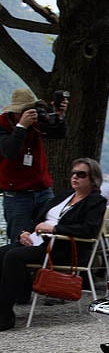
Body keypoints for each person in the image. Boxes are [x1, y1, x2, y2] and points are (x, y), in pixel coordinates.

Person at [0, 158, 106, 331]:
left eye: (81, 174)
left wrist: (55, 229)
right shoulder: (64, 196)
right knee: (2, 252)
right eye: (73, 173)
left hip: (62, 249)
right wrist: (24, 232)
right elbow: (38, 218)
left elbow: (88, 230)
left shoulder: (96, 201)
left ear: (93, 178)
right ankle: (9, 302)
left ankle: (4, 314)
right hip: (39, 241)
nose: (75, 177)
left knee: (14, 257)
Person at [1, 88, 68, 245]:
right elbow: (9, 151)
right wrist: (21, 127)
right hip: (16, 194)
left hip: (42, 190)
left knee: (50, 236)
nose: (30, 115)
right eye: (23, 111)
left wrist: (58, 116)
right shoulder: (3, 124)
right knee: (20, 239)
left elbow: (58, 134)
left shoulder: (38, 120)